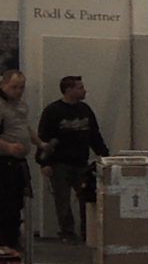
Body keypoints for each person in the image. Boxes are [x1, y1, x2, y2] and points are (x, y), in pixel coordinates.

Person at [36, 75, 107, 246]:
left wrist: (104, 155)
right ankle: (67, 233)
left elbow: (94, 135)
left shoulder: (85, 110)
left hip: (81, 162)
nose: (84, 91)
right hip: (59, 163)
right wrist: (44, 162)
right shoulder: (53, 111)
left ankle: (87, 232)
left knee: (87, 198)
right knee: (62, 200)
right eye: (80, 88)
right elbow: (44, 137)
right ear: (68, 90)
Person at [0, 69, 30, 253]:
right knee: (6, 205)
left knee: (17, 204)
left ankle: (12, 239)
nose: (18, 91)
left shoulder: (20, 105)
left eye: (22, 87)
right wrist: (8, 147)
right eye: (14, 87)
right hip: (4, 162)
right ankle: (5, 242)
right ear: (3, 85)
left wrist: (39, 142)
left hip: (19, 162)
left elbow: (25, 126)